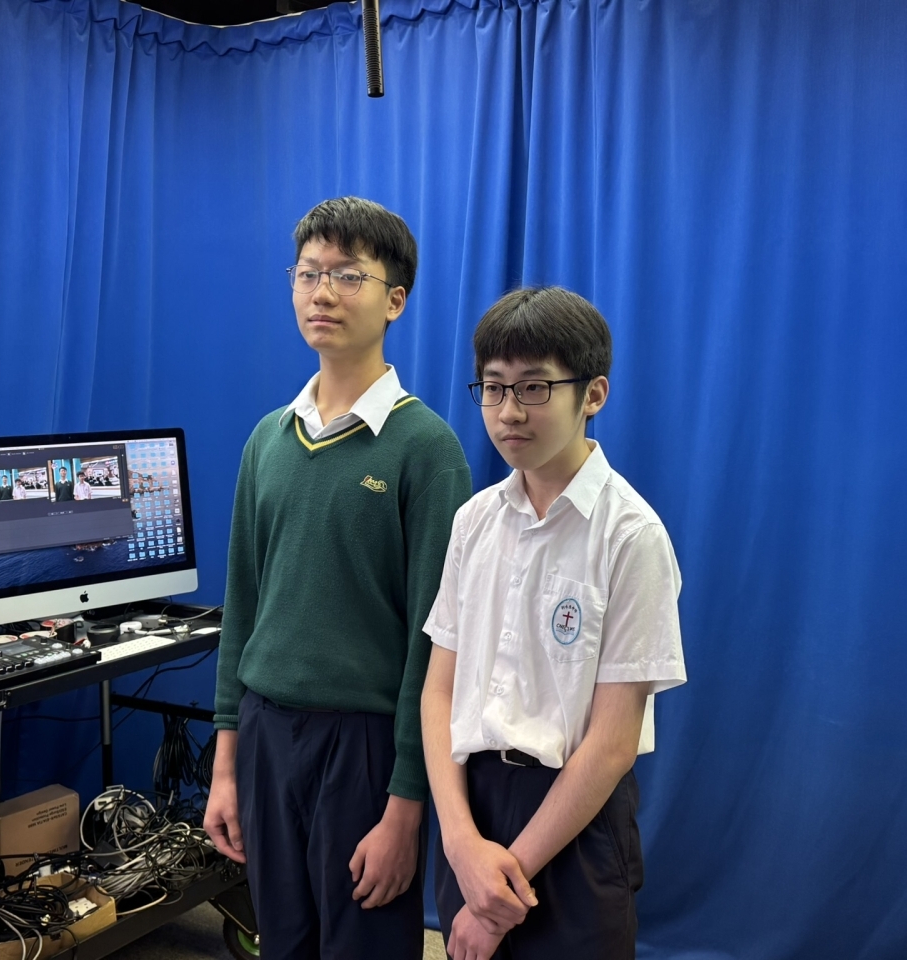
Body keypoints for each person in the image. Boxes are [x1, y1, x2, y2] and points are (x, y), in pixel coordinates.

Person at [205, 197, 472, 960]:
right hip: (265, 736)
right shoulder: (267, 440)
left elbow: (436, 647)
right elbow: (242, 608)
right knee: (282, 942)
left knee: (363, 944)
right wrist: (226, 768)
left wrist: (407, 805)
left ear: (395, 299)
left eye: (348, 275)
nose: (322, 292)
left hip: (364, 747)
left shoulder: (426, 450)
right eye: (307, 273)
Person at [421, 287, 687, 960]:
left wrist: (502, 891)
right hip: (471, 805)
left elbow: (612, 743)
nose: (509, 411)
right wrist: (460, 841)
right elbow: (438, 692)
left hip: (575, 819)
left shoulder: (631, 536)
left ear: (593, 394)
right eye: (494, 387)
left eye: (534, 387)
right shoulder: (473, 521)